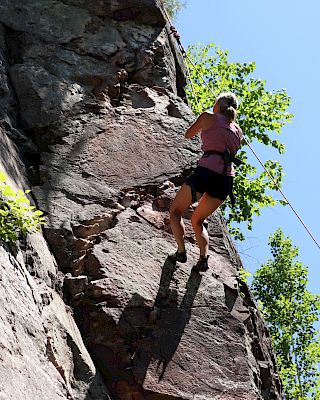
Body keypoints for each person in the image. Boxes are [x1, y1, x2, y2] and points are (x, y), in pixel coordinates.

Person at [169, 92, 243, 272]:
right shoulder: (238, 131)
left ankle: (181, 252)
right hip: (225, 180)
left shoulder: (208, 116)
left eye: (214, 103)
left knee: (175, 211)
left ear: (218, 104)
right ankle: (203, 259)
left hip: (207, 171)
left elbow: (188, 134)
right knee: (198, 220)